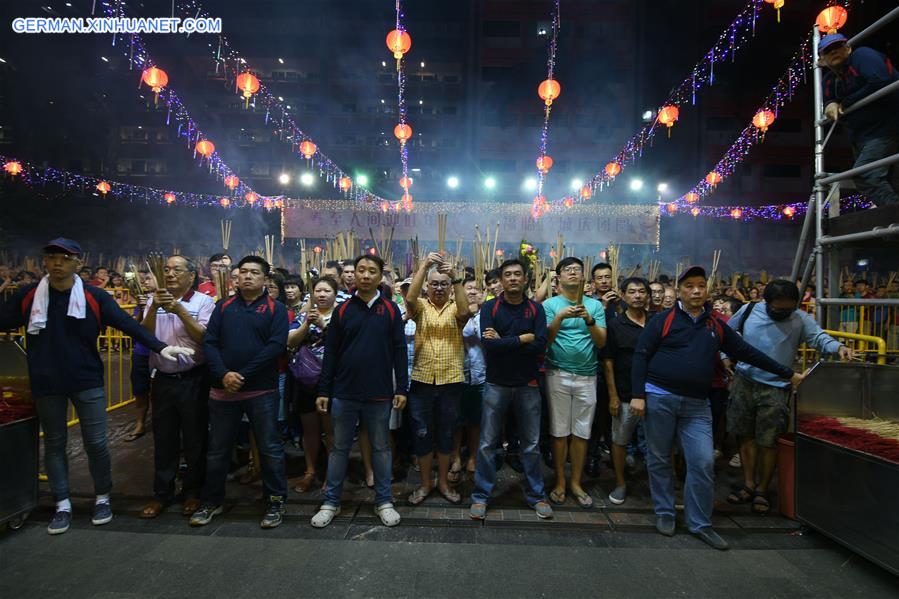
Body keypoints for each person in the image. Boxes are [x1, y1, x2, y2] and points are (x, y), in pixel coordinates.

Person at [0, 238, 193, 535]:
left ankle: (102, 496)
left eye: (65, 258)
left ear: (78, 263)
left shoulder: (93, 297)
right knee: (53, 442)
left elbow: (127, 325)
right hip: (45, 381)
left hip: (86, 379)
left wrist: (159, 346)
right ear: (45, 262)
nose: (57, 263)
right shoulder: (29, 296)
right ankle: (62, 502)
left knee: (96, 442)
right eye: (51, 257)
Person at [630, 266, 805, 550]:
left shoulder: (715, 325)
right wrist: (638, 394)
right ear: (680, 289)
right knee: (660, 458)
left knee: (703, 461)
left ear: (707, 289)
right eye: (689, 286)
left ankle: (700, 522)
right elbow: (641, 356)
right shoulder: (662, 320)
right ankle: (664, 512)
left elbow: (747, 353)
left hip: (697, 404)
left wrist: (788, 373)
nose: (696, 291)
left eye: (701, 285)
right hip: (660, 397)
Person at [725, 280, 851, 514]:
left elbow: (819, 337)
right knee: (744, 435)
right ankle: (749, 484)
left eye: (788, 309)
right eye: (778, 309)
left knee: (769, 441)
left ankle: (763, 489)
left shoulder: (800, 318)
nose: (783, 313)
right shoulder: (749, 310)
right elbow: (727, 334)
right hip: (744, 382)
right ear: (766, 302)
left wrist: (838, 347)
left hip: (776, 387)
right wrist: (725, 357)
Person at [190, 256, 289, 529]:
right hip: (223, 391)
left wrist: (242, 374)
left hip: (261, 391)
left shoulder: (275, 309)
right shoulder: (223, 307)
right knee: (218, 450)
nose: (247, 276)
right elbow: (210, 343)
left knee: (269, 448)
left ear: (264, 279)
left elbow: (275, 346)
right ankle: (212, 501)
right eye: (243, 272)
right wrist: (223, 374)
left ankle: (275, 501)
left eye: (254, 273)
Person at [311, 254, 407, 528]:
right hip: (344, 392)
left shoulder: (390, 310)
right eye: (360, 270)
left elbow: (400, 351)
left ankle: (384, 501)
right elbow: (331, 353)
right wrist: (324, 390)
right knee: (340, 448)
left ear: (380, 276)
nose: (365, 275)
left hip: (379, 393)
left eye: (371, 271)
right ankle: (331, 502)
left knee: (381, 449)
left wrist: (401, 387)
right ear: (350, 276)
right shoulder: (342, 311)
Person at [470, 259, 552, 521]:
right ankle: (481, 496)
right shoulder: (490, 307)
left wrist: (506, 341)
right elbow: (489, 345)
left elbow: (539, 345)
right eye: (508, 275)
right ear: (501, 281)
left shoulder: (535, 310)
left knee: (531, 445)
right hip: (496, 383)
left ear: (526, 279)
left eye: (518, 274)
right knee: (487, 444)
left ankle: (536, 495)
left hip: (528, 383)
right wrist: (521, 339)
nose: (513, 278)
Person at [138, 256, 216, 518]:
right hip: (162, 378)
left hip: (193, 378)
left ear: (191, 276)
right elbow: (145, 335)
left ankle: (193, 492)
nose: (170, 274)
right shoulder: (153, 299)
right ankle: (162, 493)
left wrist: (179, 310)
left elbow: (204, 338)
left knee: (195, 437)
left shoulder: (203, 302)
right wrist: (153, 308)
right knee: (164, 437)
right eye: (167, 270)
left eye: (177, 270)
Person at [404, 252, 471, 505]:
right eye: (435, 284)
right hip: (421, 380)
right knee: (421, 434)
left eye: (444, 284)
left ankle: (442, 483)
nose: (439, 288)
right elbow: (410, 297)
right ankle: (424, 484)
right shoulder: (420, 307)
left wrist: (456, 279)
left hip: (451, 381)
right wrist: (423, 267)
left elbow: (465, 312)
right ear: (428, 287)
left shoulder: (456, 307)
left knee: (445, 434)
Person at [543, 257, 607, 509]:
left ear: (583, 278)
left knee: (582, 432)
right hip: (557, 372)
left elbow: (601, 342)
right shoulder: (550, 304)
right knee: (559, 432)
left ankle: (576, 483)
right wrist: (560, 317)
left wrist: (588, 320)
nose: (573, 273)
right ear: (558, 277)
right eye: (567, 270)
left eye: (577, 271)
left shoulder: (595, 306)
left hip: (588, 375)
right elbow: (545, 340)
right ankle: (560, 481)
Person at [820, 33, 899, 206]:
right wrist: (831, 104)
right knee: (890, 181)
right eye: (828, 50)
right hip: (862, 137)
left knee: (865, 174)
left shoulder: (861, 56)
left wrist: (846, 103)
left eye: (838, 47)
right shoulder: (829, 80)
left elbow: (880, 80)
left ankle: (894, 219)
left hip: (887, 127)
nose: (834, 52)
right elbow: (829, 101)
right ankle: (892, 230)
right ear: (822, 60)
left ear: (848, 48)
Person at [601, 277, 650, 505]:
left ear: (648, 296)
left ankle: (659, 483)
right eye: (632, 292)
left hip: (656, 393)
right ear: (623, 296)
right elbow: (608, 361)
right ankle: (620, 483)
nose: (637, 295)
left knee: (661, 441)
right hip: (625, 393)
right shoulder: (615, 325)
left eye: (642, 291)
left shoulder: (657, 323)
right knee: (620, 440)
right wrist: (612, 395)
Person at [287, 276, 338, 493]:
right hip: (305, 380)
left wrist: (323, 325)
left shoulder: (341, 316)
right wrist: (308, 322)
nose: (322, 295)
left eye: (327, 291)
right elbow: (289, 341)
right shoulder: (302, 316)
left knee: (331, 431)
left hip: (332, 379)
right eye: (318, 291)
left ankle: (333, 474)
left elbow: (344, 343)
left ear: (336, 294)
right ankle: (310, 471)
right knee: (310, 429)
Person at [452, 275, 485, 479]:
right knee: (456, 420)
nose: (472, 292)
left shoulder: (489, 314)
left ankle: (473, 456)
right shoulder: (454, 312)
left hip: (482, 374)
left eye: (477, 289)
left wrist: (477, 316)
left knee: (476, 420)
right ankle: (455, 457)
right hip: (457, 374)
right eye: (468, 288)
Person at [124, 270, 157, 443]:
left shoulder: (166, 300)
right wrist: (142, 309)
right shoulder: (142, 300)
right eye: (144, 279)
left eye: (150, 278)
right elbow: (135, 327)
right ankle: (140, 423)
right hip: (142, 352)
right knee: (140, 389)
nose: (145, 281)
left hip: (159, 352)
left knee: (158, 391)